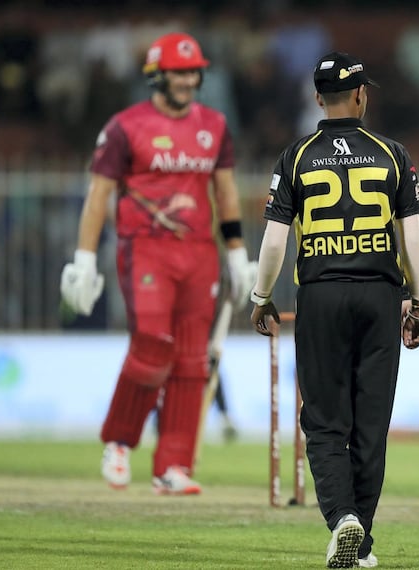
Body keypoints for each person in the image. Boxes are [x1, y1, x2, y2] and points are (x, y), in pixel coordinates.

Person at [250, 51, 419, 569]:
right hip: (379, 295)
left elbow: (274, 243)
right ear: (360, 95)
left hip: (322, 296)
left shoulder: (296, 156)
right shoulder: (393, 153)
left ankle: (342, 520)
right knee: (370, 425)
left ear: (316, 99)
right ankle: (361, 538)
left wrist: (262, 297)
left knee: (325, 423)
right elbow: (412, 238)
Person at [59, 32, 258, 496]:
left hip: (200, 254)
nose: (188, 80)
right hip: (144, 247)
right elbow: (98, 196)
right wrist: (84, 259)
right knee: (151, 344)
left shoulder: (215, 125)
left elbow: (226, 193)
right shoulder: (125, 127)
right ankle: (119, 441)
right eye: (178, 72)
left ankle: (173, 465)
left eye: (193, 71)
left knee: (192, 360)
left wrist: (236, 253)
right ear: (156, 74)